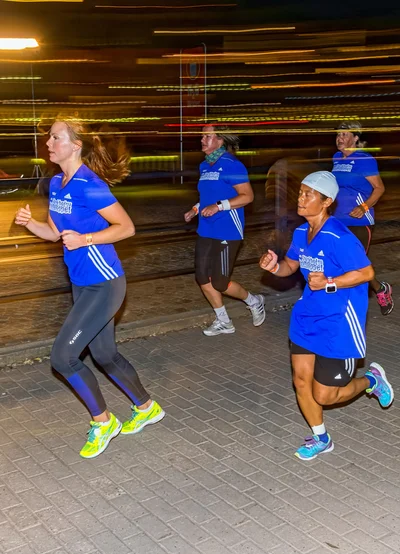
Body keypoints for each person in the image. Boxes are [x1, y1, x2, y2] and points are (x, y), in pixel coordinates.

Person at [15, 119, 165, 459]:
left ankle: (104, 421)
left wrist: (86, 239)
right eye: (49, 137)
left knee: (63, 357)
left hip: (104, 282)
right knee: (104, 355)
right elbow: (56, 233)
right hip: (82, 284)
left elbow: (126, 228)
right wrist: (31, 224)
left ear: (76, 144)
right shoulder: (56, 183)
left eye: (56, 137)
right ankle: (146, 408)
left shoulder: (89, 185)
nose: (49, 142)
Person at [259, 171, 393, 461]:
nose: (301, 198)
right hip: (308, 317)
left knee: (325, 395)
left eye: (309, 194)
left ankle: (371, 380)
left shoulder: (339, 236)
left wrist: (329, 282)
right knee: (301, 381)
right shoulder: (300, 232)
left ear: (327, 202)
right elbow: (290, 267)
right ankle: (321, 438)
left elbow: (367, 273)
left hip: (340, 322)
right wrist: (274, 267)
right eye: (301, 192)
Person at [184, 124, 265, 336]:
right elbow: (207, 197)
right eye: (202, 135)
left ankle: (253, 301)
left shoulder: (232, 165)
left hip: (228, 230)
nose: (202, 139)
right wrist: (195, 209)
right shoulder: (205, 165)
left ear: (220, 140)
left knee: (220, 282)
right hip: (206, 229)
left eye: (208, 136)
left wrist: (219, 206)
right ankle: (224, 321)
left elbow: (247, 196)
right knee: (202, 277)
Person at [333, 120, 393, 315]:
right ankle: (377, 289)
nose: (339, 139)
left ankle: (377, 292)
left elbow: (379, 188)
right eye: (337, 135)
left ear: (355, 138)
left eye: (344, 135)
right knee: (341, 262)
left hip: (360, 221)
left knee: (356, 264)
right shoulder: (336, 158)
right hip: (337, 221)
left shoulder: (364, 160)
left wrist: (364, 206)